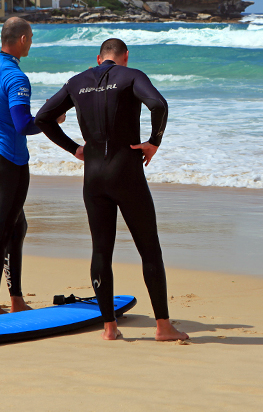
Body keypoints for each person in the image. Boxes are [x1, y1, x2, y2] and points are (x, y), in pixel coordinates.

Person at [35, 38, 188, 342]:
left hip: (93, 176)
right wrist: (153, 142)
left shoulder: (77, 82)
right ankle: (163, 327)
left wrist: (75, 149)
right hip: (126, 173)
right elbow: (158, 104)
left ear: (99, 57)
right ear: (125, 58)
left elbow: (42, 118)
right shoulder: (131, 76)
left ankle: (109, 328)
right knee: (149, 249)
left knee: (101, 250)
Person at [0, 17, 62, 316]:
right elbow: (24, 125)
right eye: (32, 37)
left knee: (16, 226)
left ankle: (16, 299)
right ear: (23, 40)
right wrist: (51, 119)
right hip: (9, 161)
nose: (32, 41)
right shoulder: (16, 78)